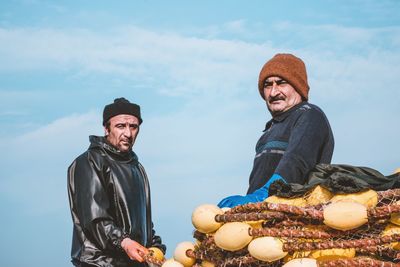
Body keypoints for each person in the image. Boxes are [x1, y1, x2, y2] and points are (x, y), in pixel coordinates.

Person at [218, 53, 334, 208]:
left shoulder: (309, 115)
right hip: (262, 213)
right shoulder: (268, 132)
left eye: (281, 83)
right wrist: (248, 203)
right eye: (268, 85)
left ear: (298, 86)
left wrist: (263, 195)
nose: (273, 92)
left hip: (294, 216)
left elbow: (296, 162)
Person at [67, 97, 166, 267]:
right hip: (99, 263)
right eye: (121, 126)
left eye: (133, 127)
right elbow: (95, 219)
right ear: (106, 128)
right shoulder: (90, 162)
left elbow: (142, 222)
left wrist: (154, 245)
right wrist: (124, 241)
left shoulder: (137, 168)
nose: (128, 133)